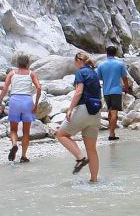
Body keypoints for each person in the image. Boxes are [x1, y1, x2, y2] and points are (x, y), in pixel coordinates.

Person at [57, 52, 102, 183]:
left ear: (78, 60)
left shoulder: (80, 72)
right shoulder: (94, 73)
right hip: (96, 112)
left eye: (74, 61)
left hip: (83, 109)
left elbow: (79, 92)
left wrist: (70, 109)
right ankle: (94, 180)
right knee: (92, 149)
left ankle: (80, 158)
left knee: (61, 135)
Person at [0, 54, 41, 163]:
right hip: (27, 101)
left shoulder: (12, 73)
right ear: (27, 63)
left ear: (17, 63)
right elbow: (39, 88)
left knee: (13, 129)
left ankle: (15, 144)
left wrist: (0, 102)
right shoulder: (31, 74)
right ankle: (23, 156)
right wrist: (36, 103)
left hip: (15, 100)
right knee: (26, 131)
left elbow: (5, 88)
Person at [96, 45, 131, 141]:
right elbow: (124, 77)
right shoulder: (120, 64)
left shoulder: (101, 65)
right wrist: (126, 88)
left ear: (106, 53)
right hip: (116, 91)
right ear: (115, 53)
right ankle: (111, 134)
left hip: (106, 91)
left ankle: (111, 131)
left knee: (110, 111)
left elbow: (98, 77)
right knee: (114, 113)